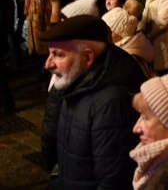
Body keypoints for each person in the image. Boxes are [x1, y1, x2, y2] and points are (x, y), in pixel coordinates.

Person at [40, 14, 148, 188]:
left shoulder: (112, 104)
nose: (48, 64)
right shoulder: (74, 85)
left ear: (87, 58)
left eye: (58, 55)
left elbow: (113, 180)